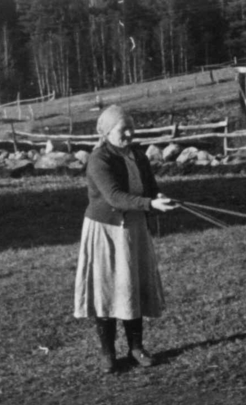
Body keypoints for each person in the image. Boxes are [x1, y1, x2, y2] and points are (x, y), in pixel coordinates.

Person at [74, 103, 178, 374]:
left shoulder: (139, 156)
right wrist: (150, 205)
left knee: (133, 285)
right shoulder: (100, 159)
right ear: (106, 132)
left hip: (134, 229)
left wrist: (159, 199)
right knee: (107, 289)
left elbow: (150, 189)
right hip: (105, 230)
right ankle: (108, 353)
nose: (129, 134)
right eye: (123, 130)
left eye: (132, 128)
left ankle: (136, 348)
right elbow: (114, 197)